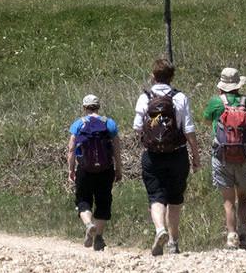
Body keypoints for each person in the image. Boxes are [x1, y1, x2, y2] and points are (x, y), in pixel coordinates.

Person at [130, 58, 197, 256]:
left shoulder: (145, 98)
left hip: (152, 155)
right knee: (175, 198)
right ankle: (174, 242)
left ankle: (160, 230)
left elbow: (136, 127)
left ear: (153, 76)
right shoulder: (180, 98)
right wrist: (196, 155)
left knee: (156, 195)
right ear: (172, 77)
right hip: (177, 153)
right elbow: (189, 129)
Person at [201, 67, 246, 250]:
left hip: (222, 156)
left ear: (221, 85)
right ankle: (243, 232)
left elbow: (207, 121)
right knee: (242, 196)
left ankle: (231, 236)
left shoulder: (216, 102)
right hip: (243, 155)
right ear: (237, 85)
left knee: (228, 200)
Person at [65, 93, 119, 249]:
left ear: (84, 108)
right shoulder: (109, 124)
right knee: (103, 202)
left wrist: (71, 170)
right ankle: (99, 238)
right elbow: (116, 149)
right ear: (98, 106)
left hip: (85, 170)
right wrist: (119, 169)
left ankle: (89, 224)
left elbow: (71, 149)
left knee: (83, 200)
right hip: (105, 169)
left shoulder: (78, 124)